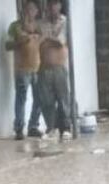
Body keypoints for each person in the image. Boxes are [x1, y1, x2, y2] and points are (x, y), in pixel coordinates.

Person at [5, 0, 43, 140]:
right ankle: (19, 129)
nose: (30, 12)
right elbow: (7, 45)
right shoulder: (14, 26)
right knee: (21, 98)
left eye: (32, 9)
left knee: (39, 98)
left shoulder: (38, 26)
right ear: (23, 11)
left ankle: (33, 126)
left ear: (37, 11)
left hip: (38, 68)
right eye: (27, 9)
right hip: (22, 69)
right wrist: (22, 41)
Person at [36, 0, 71, 141]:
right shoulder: (41, 23)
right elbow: (38, 42)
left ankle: (66, 128)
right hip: (44, 67)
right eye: (50, 5)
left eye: (54, 4)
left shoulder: (64, 21)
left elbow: (60, 42)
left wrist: (47, 38)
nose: (52, 8)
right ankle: (52, 128)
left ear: (59, 6)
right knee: (46, 100)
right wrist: (48, 39)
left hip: (59, 66)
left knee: (63, 99)